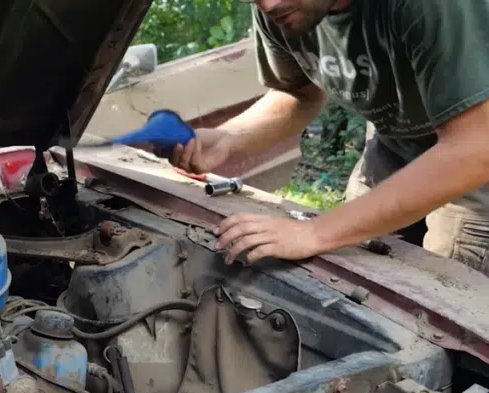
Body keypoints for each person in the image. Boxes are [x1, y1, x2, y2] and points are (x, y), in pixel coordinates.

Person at [170, 0, 489, 274]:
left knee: (444, 303)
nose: (267, 6)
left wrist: (316, 232)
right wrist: (231, 137)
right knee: (355, 270)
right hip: (396, 142)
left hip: (476, 158)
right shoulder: (282, 9)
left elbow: (474, 148)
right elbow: (298, 95)